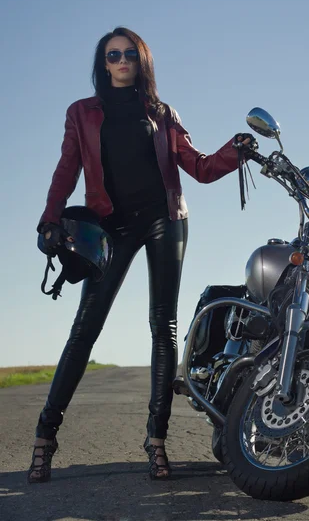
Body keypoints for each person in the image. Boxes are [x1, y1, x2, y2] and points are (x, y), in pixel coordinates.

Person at [28, 26, 254, 483]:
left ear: (142, 60)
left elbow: (201, 167)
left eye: (130, 53)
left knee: (162, 324)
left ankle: (156, 440)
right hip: (110, 224)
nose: (122, 60)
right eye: (113, 55)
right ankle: (44, 436)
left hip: (164, 218)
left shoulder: (162, 113)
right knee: (85, 326)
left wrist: (236, 151)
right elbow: (66, 170)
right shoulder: (81, 113)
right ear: (103, 63)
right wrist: (49, 219)